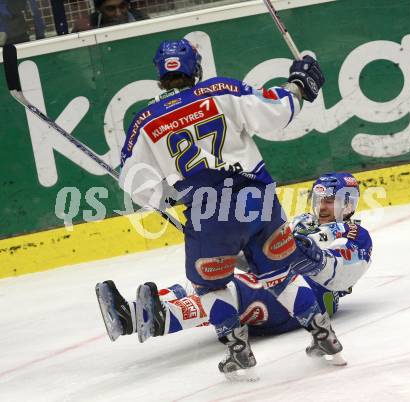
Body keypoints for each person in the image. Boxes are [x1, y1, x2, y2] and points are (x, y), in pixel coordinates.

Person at [96, 38, 341, 379]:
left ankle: (238, 351)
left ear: (159, 75)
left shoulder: (146, 121)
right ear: (194, 68)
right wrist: (298, 85)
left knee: (210, 286)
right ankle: (323, 335)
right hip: (258, 200)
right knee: (280, 275)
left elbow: (137, 186)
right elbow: (276, 113)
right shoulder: (221, 89)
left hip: (207, 212)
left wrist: (167, 197)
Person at [97, 172, 372, 368]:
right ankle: (130, 315)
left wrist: (311, 257)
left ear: (347, 203)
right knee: (209, 278)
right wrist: (230, 247)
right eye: (320, 199)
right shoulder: (300, 221)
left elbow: (342, 275)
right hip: (277, 286)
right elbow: (259, 256)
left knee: (233, 291)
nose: (323, 206)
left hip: (306, 300)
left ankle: (162, 318)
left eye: (331, 200)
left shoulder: (354, 233)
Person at [72, 0, 148, 32]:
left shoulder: (141, 20)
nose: (118, 13)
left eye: (122, 6)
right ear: (99, 9)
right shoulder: (88, 26)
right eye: (111, 9)